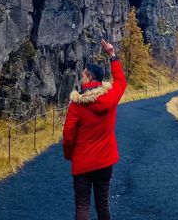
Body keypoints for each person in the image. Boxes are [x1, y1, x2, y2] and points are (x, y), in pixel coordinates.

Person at [63, 39, 127, 220]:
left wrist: (69, 155)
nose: (81, 78)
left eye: (83, 76)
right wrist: (112, 56)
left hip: (83, 161)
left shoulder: (77, 105)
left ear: (90, 78)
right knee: (103, 203)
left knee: (82, 205)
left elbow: (68, 135)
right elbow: (121, 82)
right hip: (105, 161)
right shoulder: (111, 97)